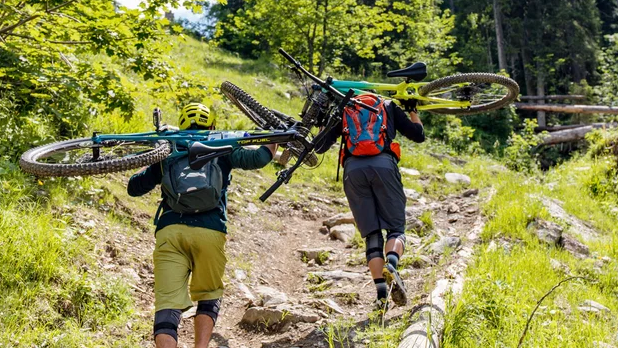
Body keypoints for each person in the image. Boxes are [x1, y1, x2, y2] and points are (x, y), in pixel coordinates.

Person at [128, 103, 278, 348]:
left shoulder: (170, 146)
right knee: (208, 295)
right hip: (210, 230)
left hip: (170, 232)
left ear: (183, 124)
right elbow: (260, 157)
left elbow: (134, 188)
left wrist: (153, 164)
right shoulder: (221, 144)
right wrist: (274, 137)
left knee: (167, 306)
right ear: (212, 125)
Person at [315, 95, 424, 310]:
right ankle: (392, 264)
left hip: (353, 171)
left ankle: (381, 294)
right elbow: (418, 135)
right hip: (383, 165)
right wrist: (413, 110)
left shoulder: (346, 108)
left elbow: (319, 147)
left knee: (372, 234)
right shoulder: (388, 106)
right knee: (395, 228)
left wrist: (321, 121)